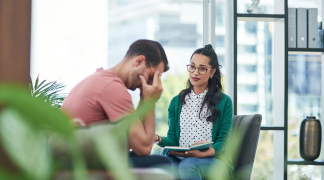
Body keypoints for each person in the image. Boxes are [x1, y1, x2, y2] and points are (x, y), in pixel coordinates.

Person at [61, 39, 171, 168]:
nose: (151, 84)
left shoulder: (101, 79)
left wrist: (144, 98)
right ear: (139, 61)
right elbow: (144, 148)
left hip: (83, 161)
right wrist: (150, 101)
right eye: (151, 77)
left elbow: (136, 140)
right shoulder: (112, 87)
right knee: (162, 164)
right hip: (86, 165)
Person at [155, 44, 234, 180]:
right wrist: (158, 139)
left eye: (202, 69)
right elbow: (173, 139)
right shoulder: (176, 102)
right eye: (192, 67)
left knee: (187, 165)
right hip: (181, 157)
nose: (195, 72)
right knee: (164, 161)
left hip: (213, 161)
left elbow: (223, 141)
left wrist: (202, 154)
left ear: (212, 72)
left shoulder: (224, 101)